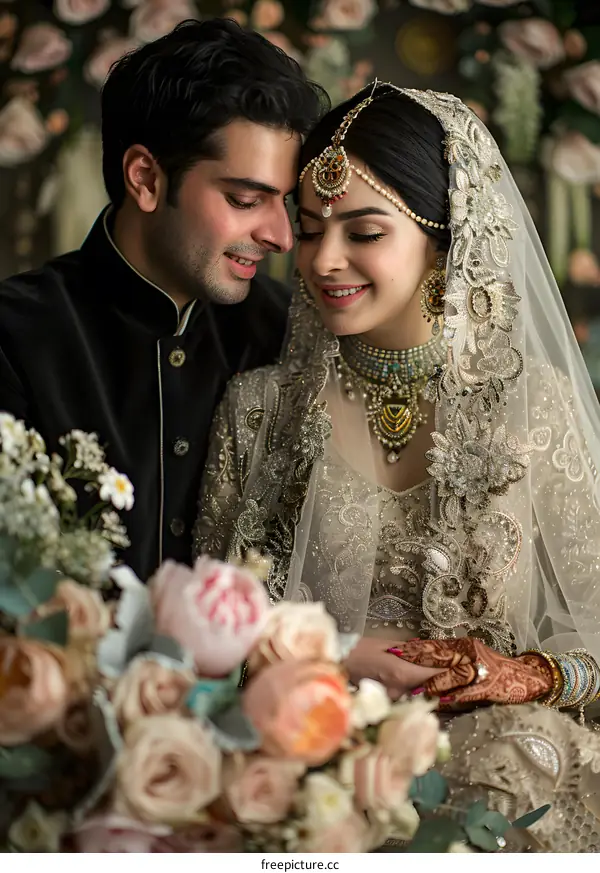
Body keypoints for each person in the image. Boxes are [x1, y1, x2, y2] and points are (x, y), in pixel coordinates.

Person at [195, 82, 600, 851]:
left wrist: (529, 675)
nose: (324, 260)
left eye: (365, 230)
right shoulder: (258, 413)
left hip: (505, 784)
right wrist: (330, 657)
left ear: (445, 237)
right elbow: (202, 644)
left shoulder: (532, 408)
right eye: (310, 230)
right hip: (306, 786)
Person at [0, 18, 328, 581]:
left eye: (287, 204)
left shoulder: (289, 332)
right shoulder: (14, 336)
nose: (281, 235)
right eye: (247, 199)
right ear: (146, 178)